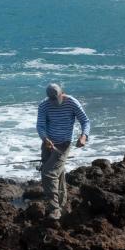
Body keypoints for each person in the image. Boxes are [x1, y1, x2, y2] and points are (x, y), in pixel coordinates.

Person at [36, 82, 91, 220]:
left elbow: (85, 121)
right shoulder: (44, 105)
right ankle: (62, 203)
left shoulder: (72, 103)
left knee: (48, 174)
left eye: (56, 98)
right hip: (48, 144)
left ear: (62, 93)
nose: (54, 102)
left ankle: (55, 209)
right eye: (52, 99)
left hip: (64, 144)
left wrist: (83, 136)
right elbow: (40, 125)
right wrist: (45, 138)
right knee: (57, 173)